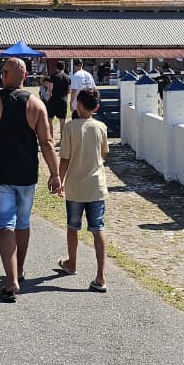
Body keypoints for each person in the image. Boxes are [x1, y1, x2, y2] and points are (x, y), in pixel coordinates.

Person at [0, 57, 62, 303]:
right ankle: (20, 270)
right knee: (22, 223)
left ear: (4, 75)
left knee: (5, 225)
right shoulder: (36, 105)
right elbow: (47, 143)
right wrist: (55, 174)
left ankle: (11, 279)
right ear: (25, 76)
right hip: (27, 175)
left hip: (0, 173)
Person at [57, 88, 110, 292]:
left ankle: (72, 262)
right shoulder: (101, 127)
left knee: (73, 227)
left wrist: (59, 180)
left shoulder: (70, 127)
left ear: (78, 105)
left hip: (75, 187)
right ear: (96, 107)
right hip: (96, 186)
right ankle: (101, 275)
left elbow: (65, 159)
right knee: (98, 228)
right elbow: (104, 153)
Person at [45, 60, 70, 143]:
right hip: (63, 100)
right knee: (62, 121)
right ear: (64, 67)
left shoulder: (53, 77)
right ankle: (62, 139)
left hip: (53, 100)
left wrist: (48, 97)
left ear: (56, 67)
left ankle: (51, 138)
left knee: (49, 119)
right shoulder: (67, 77)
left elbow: (50, 89)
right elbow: (69, 91)